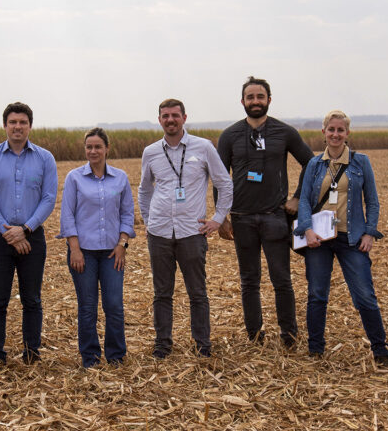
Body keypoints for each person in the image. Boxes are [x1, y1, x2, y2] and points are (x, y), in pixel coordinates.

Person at [217, 76, 313, 347]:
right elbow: (220, 178)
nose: (255, 102)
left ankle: (289, 335)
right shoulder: (230, 136)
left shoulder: (285, 132)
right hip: (242, 218)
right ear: (242, 101)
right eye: (250, 97)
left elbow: (311, 164)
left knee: (281, 279)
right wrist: (221, 216)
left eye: (260, 97)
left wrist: (296, 198)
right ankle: (255, 336)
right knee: (249, 281)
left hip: (275, 217)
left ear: (269, 100)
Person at [138, 99, 233, 359]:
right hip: (159, 234)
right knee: (162, 293)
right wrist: (149, 221)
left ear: (184, 118)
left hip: (192, 232)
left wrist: (217, 218)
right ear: (159, 120)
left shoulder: (203, 148)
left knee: (197, 292)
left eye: (175, 115)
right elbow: (144, 190)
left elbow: (225, 184)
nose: (171, 120)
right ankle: (162, 345)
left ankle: (202, 345)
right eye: (165, 116)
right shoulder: (151, 152)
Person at [295, 110, 388, 365]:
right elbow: (304, 200)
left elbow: (372, 201)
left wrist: (370, 232)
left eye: (340, 130)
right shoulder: (314, 165)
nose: (335, 134)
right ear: (324, 132)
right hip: (320, 240)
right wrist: (306, 229)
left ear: (347, 134)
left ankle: (380, 350)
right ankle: (315, 349)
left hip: (353, 239)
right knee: (317, 294)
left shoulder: (361, 162)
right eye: (331, 129)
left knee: (364, 295)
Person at [0, 102, 58, 364]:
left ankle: (31, 353)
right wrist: (8, 231)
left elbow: (48, 198)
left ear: (30, 126)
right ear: (5, 125)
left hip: (32, 236)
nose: (18, 127)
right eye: (13, 122)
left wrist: (25, 229)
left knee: (32, 299)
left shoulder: (45, 158)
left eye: (23, 122)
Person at [58, 128, 135, 368]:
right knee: (88, 307)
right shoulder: (74, 178)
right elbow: (67, 215)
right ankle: (90, 357)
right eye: (89, 147)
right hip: (84, 253)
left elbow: (127, 213)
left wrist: (123, 244)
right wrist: (75, 249)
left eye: (98, 147)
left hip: (113, 253)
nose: (93, 151)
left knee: (114, 305)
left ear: (107, 149)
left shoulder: (120, 178)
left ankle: (116, 356)